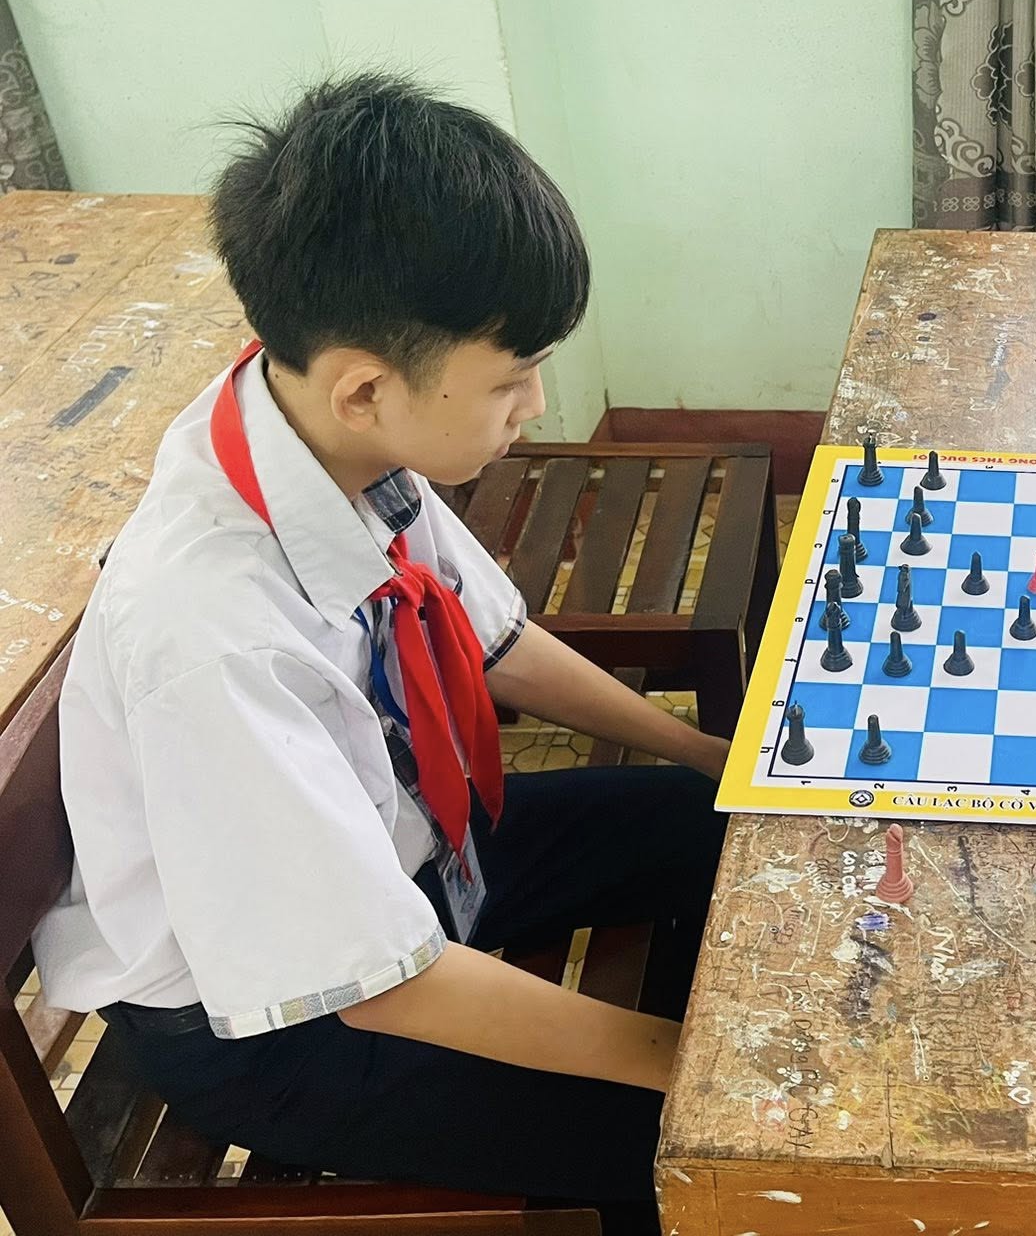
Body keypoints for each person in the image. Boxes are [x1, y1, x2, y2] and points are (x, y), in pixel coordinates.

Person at [34, 74, 730, 1236]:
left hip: (412, 854)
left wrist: (707, 753)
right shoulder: (212, 636)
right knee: (687, 1150)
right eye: (509, 379)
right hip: (282, 1022)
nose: (535, 402)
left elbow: (493, 642)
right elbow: (382, 984)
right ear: (367, 387)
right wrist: (691, 1060)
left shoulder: (309, 425)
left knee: (712, 822)